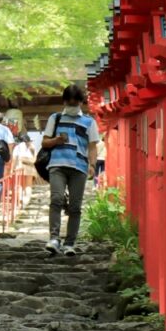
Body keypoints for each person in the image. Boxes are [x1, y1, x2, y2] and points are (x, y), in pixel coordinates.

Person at [40, 84, 102, 256]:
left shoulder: (89, 122)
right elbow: (44, 142)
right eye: (70, 103)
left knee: (75, 206)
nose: (73, 107)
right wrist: (57, 140)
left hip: (79, 167)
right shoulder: (56, 118)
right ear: (65, 102)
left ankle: (70, 242)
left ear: (81, 103)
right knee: (56, 199)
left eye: (76, 104)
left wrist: (92, 165)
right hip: (57, 165)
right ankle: (54, 238)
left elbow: (92, 147)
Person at [11, 134, 38, 203]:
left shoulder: (18, 147)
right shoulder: (32, 146)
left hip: (20, 167)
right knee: (28, 185)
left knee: (19, 185)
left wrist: (12, 170)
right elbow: (36, 158)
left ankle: (20, 198)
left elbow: (14, 159)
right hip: (30, 167)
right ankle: (27, 201)